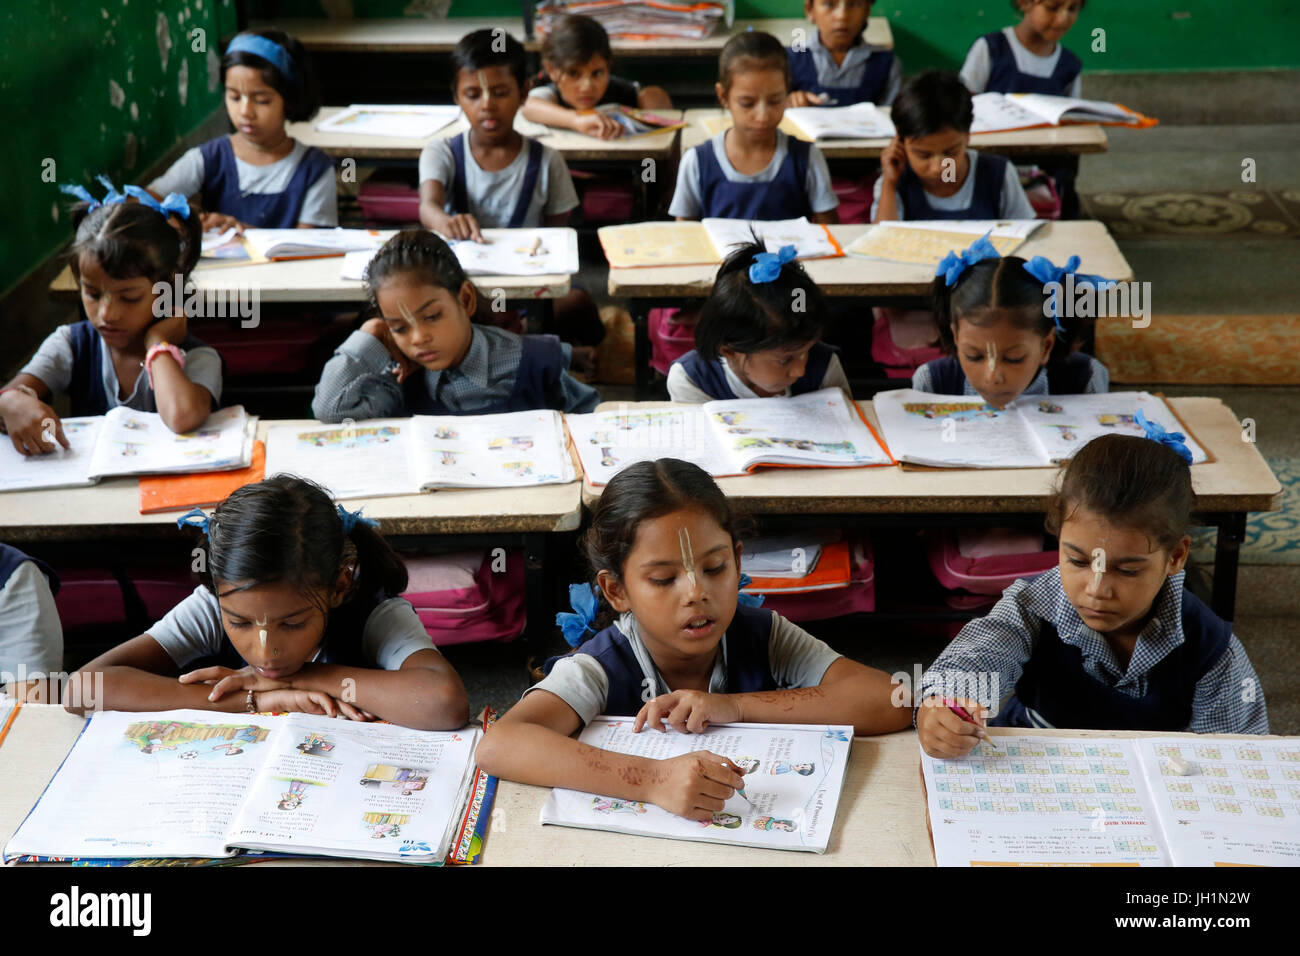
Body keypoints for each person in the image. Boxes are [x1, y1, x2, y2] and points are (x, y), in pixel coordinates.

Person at [475, 459, 911, 821]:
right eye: (664, 579)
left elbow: (893, 699)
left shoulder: (762, 634)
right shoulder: (602, 665)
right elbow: (502, 743)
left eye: (716, 568)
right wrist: (652, 779)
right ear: (617, 591)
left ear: (738, 560)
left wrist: (737, 706)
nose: (696, 593)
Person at [917, 431, 1269, 758]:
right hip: (1035, 764)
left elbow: (1239, 756)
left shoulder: (1210, 648)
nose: (1096, 590)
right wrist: (942, 705)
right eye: (1077, 560)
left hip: (1151, 783)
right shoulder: (1032, 606)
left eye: (1127, 570)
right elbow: (978, 655)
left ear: (1175, 556)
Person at [65, 475, 469, 731]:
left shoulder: (372, 612)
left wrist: (302, 678)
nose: (265, 651)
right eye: (240, 624)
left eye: (292, 624)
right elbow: (83, 689)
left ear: (339, 586)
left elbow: (443, 703)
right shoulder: (213, 606)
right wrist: (254, 700)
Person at [2, 182, 220, 454]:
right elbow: (7, 398)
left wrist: (157, 344)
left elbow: (181, 416)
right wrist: (10, 402)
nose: (107, 314)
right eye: (92, 294)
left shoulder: (199, 357)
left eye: (129, 297)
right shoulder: (71, 344)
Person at [311, 230, 598, 421]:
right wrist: (369, 336)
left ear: (465, 299)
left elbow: (593, 423)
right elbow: (330, 409)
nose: (419, 338)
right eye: (399, 328)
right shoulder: (398, 377)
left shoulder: (532, 362)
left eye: (433, 316)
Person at [148, 29, 335, 229]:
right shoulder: (208, 158)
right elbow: (140, 203)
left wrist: (244, 233)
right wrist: (179, 222)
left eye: (262, 100)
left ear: (289, 101)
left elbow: (309, 249)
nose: (245, 112)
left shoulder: (315, 169)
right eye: (234, 97)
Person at [913, 235, 1109, 404]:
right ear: (955, 336)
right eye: (974, 356)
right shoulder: (933, 383)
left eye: (1014, 359)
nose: (993, 377)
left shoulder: (1085, 378)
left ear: (1046, 346)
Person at [670, 31, 839, 223]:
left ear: (787, 89)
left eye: (775, 101)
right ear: (723, 96)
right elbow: (685, 237)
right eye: (747, 103)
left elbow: (831, 234)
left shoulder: (807, 159)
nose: (762, 116)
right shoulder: (697, 162)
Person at [667, 240, 850, 402]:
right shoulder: (693, 379)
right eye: (785, 360)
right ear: (730, 350)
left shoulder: (825, 367)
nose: (800, 370)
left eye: (807, 350)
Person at [872, 69, 1035, 222]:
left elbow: (1026, 237)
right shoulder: (893, 181)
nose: (939, 167)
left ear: (968, 135)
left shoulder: (998, 175)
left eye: (950, 153)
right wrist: (890, 184)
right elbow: (880, 242)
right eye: (924, 155)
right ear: (900, 141)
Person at [523, 13, 672, 138]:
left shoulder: (621, 92)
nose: (587, 87)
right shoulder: (550, 95)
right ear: (551, 70)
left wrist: (652, 100)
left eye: (597, 73)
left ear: (608, 65)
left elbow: (655, 97)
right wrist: (576, 120)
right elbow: (528, 106)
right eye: (573, 74)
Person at [787, 0, 900, 107]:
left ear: (867, 11)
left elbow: (892, 118)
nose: (842, 16)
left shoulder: (886, 63)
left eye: (854, 4)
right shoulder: (788, 60)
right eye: (829, 4)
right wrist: (788, 102)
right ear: (810, 10)